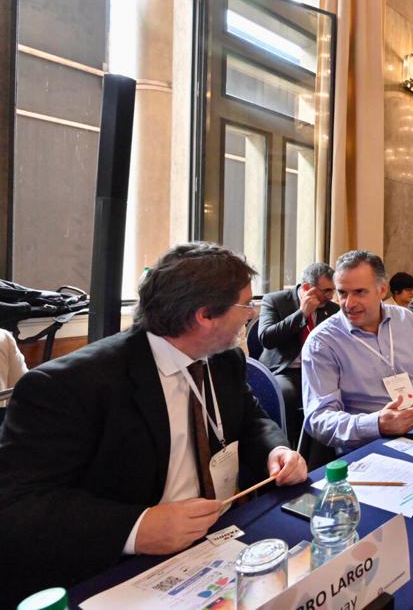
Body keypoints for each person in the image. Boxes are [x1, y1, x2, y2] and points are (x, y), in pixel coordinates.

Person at [0, 243, 307, 604]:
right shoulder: (71, 386)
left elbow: (251, 417)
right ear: (205, 315)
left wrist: (278, 450)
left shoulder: (223, 360)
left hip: (221, 540)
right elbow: (19, 506)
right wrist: (137, 528)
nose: (252, 313)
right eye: (244, 304)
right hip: (122, 567)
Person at [302, 251, 413, 452]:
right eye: (342, 293)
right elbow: (319, 419)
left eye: (360, 292)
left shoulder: (406, 319)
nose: (349, 304)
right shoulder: (322, 342)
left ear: (382, 290)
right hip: (370, 444)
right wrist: (377, 423)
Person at [258, 262, 339, 447]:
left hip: (319, 369)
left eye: (333, 290)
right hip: (285, 369)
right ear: (307, 288)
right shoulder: (275, 300)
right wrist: (301, 314)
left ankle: (321, 450)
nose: (330, 296)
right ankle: (285, 447)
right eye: (325, 290)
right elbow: (266, 338)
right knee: (287, 393)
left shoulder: (332, 309)